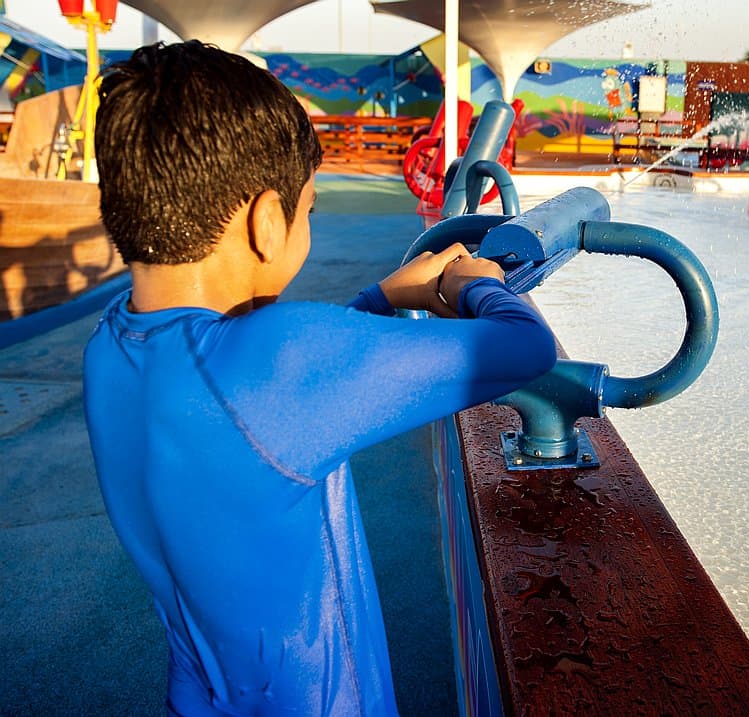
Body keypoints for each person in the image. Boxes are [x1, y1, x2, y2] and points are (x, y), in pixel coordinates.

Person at [83, 41, 557, 716]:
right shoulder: (274, 368)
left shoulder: (109, 346)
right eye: (308, 211)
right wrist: (476, 283)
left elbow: (252, 411)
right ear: (267, 223)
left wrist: (378, 298)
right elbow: (527, 347)